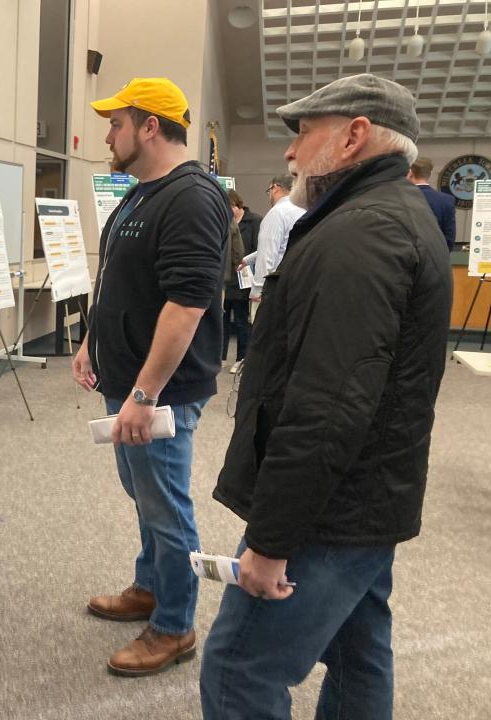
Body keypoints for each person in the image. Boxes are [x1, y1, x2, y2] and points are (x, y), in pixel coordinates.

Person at [200, 73, 452, 719]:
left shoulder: (360, 235)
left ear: (354, 136)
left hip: (330, 512)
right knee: (359, 651)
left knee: (239, 671)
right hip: (368, 499)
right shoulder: (388, 217)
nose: (290, 152)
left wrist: (272, 541)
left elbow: (326, 406)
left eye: (305, 132)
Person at [71, 77, 229, 676]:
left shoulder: (191, 197)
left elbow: (186, 306)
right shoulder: (141, 193)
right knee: (143, 493)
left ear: (150, 126)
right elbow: (118, 280)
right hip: (128, 381)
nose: (108, 135)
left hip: (160, 391)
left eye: (117, 123)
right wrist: (92, 340)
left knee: (164, 502)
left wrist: (143, 393)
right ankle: (151, 584)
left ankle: (175, 626)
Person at [243, 175, 304, 320]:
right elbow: (284, 245)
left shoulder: (277, 213)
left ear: (275, 188)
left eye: (269, 191)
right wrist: (248, 259)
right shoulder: (302, 211)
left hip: (274, 289)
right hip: (297, 283)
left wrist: (258, 290)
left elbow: (268, 253)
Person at [222, 190, 260, 374]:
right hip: (224, 279)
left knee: (240, 320)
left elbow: (256, 249)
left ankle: (241, 358)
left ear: (237, 205)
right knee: (221, 319)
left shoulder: (254, 221)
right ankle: (219, 358)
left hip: (243, 278)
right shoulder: (223, 220)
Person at [408, 157, 456, 250]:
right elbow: (449, 238)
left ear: (410, 173)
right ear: (430, 174)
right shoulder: (446, 200)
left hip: (405, 258)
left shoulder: (399, 198)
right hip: (436, 256)